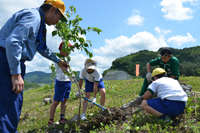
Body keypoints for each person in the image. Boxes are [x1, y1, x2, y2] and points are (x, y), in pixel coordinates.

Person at [0, 0, 68, 132]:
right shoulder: (34, 17)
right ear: (52, 10)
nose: (58, 23)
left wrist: (59, 61)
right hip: (7, 60)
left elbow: (42, 48)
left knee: (13, 103)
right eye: (59, 18)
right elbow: (13, 42)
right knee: (9, 106)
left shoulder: (40, 24)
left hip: (11, 60)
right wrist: (15, 74)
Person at [48, 42, 73, 127]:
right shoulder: (58, 58)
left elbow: (67, 68)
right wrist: (66, 66)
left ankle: (62, 118)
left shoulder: (66, 58)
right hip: (61, 82)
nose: (69, 52)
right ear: (62, 49)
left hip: (67, 81)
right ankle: (51, 120)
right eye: (68, 50)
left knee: (65, 100)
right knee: (56, 102)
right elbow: (64, 67)